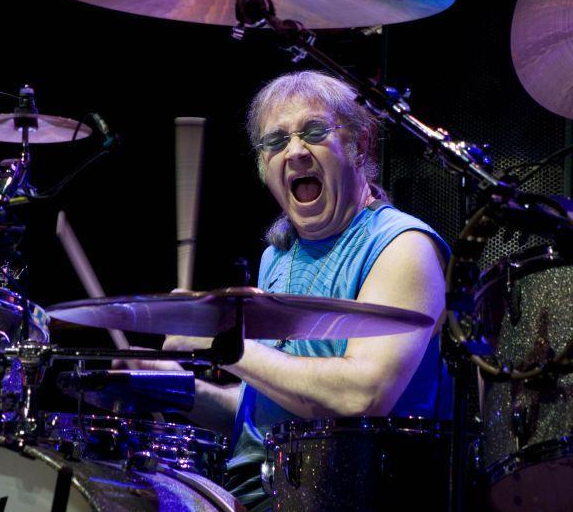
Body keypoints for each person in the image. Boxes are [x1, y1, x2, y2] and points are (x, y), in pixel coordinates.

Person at [133, 70, 450, 510]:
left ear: (359, 146)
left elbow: (361, 396)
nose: (296, 151)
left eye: (314, 132)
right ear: (263, 166)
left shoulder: (403, 247)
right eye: (276, 141)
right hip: (259, 492)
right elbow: (270, 414)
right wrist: (173, 389)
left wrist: (220, 340)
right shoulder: (277, 258)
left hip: (351, 497)